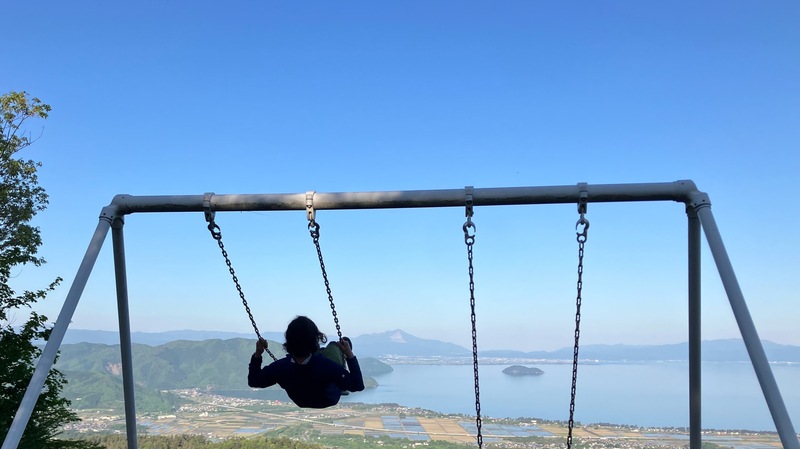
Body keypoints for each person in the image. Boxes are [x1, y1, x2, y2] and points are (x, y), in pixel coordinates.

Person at [248, 316, 365, 408]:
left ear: (288, 340)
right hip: (328, 399)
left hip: (301, 400)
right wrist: (349, 354)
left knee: (322, 354)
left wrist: (258, 354)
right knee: (337, 344)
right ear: (315, 339)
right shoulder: (327, 366)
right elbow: (357, 385)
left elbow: (254, 381)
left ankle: (320, 351)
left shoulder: (281, 367)